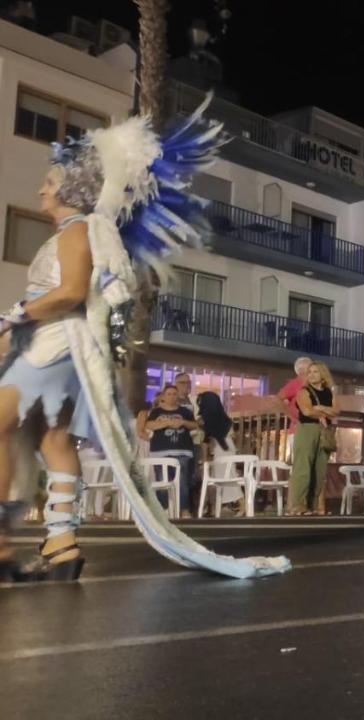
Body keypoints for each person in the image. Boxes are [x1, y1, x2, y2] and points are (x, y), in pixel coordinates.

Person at [0, 105, 287, 581]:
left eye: (48, 182)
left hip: (52, 345)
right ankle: (62, 540)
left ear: (69, 189)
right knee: (54, 439)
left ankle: (4, 542)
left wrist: (15, 314)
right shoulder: (86, 231)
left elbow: (71, 293)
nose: (40, 190)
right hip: (67, 352)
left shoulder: (76, 231)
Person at [290, 361, 338, 516]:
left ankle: (312, 505)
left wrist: (320, 409)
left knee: (319, 470)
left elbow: (337, 411)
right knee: (303, 468)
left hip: (324, 431)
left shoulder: (330, 392)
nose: (311, 374)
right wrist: (325, 412)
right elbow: (307, 411)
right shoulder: (303, 391)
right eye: (309, 372)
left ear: (323, 374)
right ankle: (298, 505)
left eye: (315, 372)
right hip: (307, 430)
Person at [145, 385, 201, 518]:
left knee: (182, 481)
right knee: (162, 480)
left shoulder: (185, 411)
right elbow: (148, 425)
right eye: (169, 394)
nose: (172, 396)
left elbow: (194, 425)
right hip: (160, 452)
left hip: (182, 451)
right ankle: (163, 509)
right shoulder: (156, 411)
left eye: (174, 394)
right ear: (163, 396)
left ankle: (184, 509)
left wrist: (182, 423)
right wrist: (166, 424)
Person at [278, 356, 313, 428]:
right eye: (309, 368)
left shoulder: (311, 385)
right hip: (298, 430)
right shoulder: (295, 383)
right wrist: (292, 418)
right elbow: (277, 399)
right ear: (301, 371)